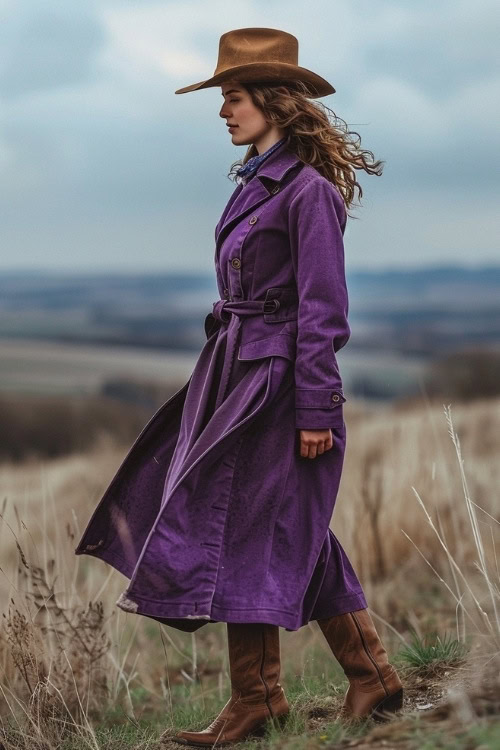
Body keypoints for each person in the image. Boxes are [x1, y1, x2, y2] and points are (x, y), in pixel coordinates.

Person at [75, 27, 403, 746]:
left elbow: (324, 311)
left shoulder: (307, 192)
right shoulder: (257, 180)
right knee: (258, 524)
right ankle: (300, 692)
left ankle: (296, 693)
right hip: (236, 373)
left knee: (252, 525)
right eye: (223, 97)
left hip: (278, 383)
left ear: (273, 100)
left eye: (233, 97)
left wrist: (316, 406)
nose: (223, 110)